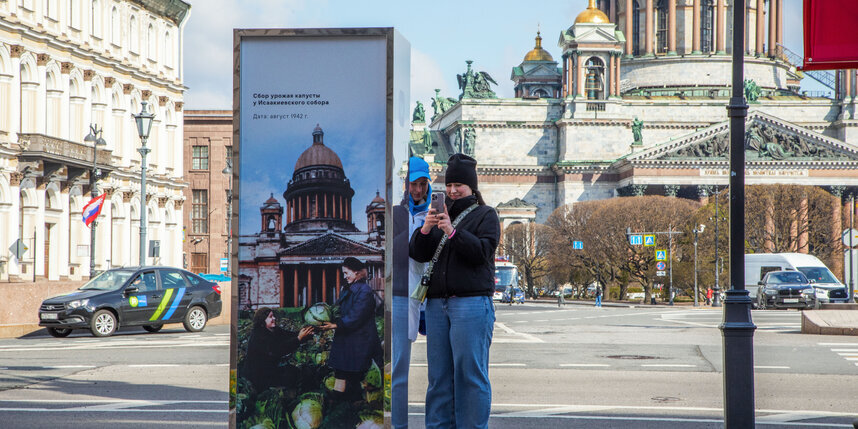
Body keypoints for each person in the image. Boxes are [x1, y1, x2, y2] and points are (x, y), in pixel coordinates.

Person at [410, 153, 500, 429]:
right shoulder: (438, 215)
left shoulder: (486, 215)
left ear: (471, 186)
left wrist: (451, 231)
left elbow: (481, 253)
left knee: (470, 377)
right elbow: (418, 254)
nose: (452, 190)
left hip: (470, 304)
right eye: (449, 185)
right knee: (438, 377)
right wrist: (426, 229)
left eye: (458, 185)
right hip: (438, 305)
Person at [392, 157, 430, 428]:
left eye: (422, 184)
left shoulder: (441, 212)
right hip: (404, 295)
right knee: (398, 369)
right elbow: (393, 252)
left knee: (440, 372)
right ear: (405, 184)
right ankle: (398, 424)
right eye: (412, 184)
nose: (417, 190)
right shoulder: (395, 212)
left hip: (433, 297)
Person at [318, 257, 382, 402]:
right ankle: (340, 401)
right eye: (344, 273)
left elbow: (357, 315)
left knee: (352, 375)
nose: (345, 276)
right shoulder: (348, 289)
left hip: (359, 340)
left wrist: (336, 325)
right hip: (348, 338)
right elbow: (341, 310)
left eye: (347, 273)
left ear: (357, 272)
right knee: (342, 372)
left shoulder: (364, 290)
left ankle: (348, 403)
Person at [244, 307, 314, 392]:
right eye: (270, 317)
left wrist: (306, 334)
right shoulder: (259, 335)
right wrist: (299, 339)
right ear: (263, 320)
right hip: (259, 374)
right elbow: (278, 350)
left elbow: (289, 336)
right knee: (291, 374)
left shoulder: (274, 330)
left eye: (273, 316)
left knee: (295, 371)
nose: (274, 318)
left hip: (270, 369)